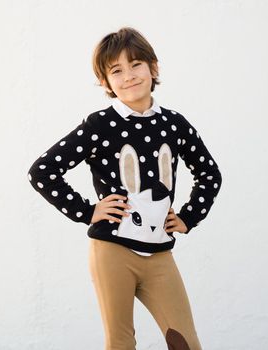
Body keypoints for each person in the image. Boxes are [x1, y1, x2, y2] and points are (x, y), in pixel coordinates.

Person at [27, 27, 222, 350]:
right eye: (116, 70)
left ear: (153, 68)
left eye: (136, 65)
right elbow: (43, 171)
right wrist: (87, 211)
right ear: (105, 82)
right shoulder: (100, 125)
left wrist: (190, 216)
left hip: (159, 254)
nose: (128, 76)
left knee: (186, 342)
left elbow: (209, 173)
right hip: (113, 252)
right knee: (121, 342)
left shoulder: (174, 124)